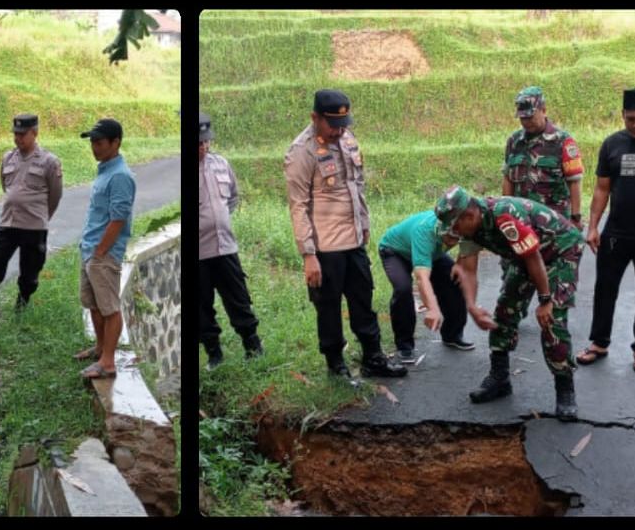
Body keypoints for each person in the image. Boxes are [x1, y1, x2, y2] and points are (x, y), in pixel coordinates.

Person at [285, 89, 406, 379]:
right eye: (333, 124)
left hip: (353, 241)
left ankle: (373, 358)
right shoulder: (302, 151)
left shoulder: (347, 138)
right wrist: (308, 255)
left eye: (343, 124)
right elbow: (298, 205)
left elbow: (357, 184)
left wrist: (363, 223)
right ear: (315, 118)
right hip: (325, 247)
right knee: (328, 307)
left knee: (363, 299)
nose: (339, 130)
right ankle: (336, 365)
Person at [436, 186, 584, 419]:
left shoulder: (505, 216)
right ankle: (500, 378)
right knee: (505, 310)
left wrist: (545, 300)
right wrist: (472, 307)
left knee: (552, 320)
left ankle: (565, 389)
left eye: (455, 226)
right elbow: (469, 269)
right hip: (525, 256)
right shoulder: (470, 228)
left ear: (469, 216)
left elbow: (534, 256)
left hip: (560, 251)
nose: (454, 232)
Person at [578, 88, 635, 373]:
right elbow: (602, 189)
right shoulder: (612, 144)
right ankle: (599, 342)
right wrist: (593, 227)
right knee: (605, 288)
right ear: (622, 114)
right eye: (631, 118)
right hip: (616, 233)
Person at [0, 113, 62, 318]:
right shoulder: (8, 157)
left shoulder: (49, 161)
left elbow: (55, 195)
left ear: (35, 133)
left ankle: (22, 307)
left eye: (23, 134)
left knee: (29, 271)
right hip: (8, 223)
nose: (18, 138)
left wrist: (41, 216)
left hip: (33, 226)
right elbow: (6, 187)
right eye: (16, 134)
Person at [196, 112, 263, 369]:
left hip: (225, 247)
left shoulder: (221, 164)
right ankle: (214, 354)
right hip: (199, 253)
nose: (203, 147)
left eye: (206, 141)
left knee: (239, 299)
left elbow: (232, 198)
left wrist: (218, 220)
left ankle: (253, 346)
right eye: (198, 143)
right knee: (201, 306)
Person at [77, 118, 134, 379]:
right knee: (94, 304)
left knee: (110, 308)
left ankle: (108, 362)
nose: (94, 147)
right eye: (93, 142)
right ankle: (100, 349)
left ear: (115, 143)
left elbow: (118, 218)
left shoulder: (120, 175)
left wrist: (101, 251)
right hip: (91, 249)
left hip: (103, 253)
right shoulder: (106, 171)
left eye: (99, 142)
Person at [376, 210, 471, 359]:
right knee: (403, 289)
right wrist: (432, 309)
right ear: (441, 231)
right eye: (450, 237)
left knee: (455, 281)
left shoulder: (464, 225)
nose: (453, 242)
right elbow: (422, 277)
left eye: (457, 238)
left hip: (432, 253)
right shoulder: (424, 232)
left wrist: (459, 264)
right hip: (396, 251)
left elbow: (469, 246)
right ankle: (404, 345)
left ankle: (452, 335)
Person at [503, 86, 584, 224]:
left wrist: (575, 218)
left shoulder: (563, 141)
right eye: (523, 118)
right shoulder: (514, 141)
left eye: (530, 117)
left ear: (544, 111)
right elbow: (508, 179)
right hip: (523, 221)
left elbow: (574, 182)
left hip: (554, 223)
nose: (526, 122)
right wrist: (506, 214)